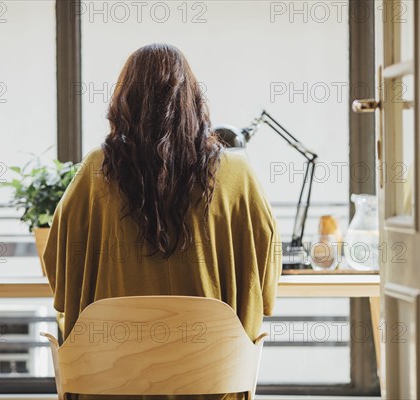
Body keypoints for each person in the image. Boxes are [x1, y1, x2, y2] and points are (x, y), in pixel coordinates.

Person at [43, 43, 282, 400]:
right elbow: (264, 274)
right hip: (212, 379)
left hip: (109, 379)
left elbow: (59, 267)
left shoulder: (95, 171)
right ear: (192, 99)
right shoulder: (238, 173)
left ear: (124, 100)